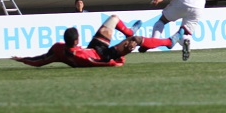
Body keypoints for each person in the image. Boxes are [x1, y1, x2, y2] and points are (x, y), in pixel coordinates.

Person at [12, 15, 183, 68]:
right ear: (77, 40)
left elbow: (40, 60)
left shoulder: (58, 49)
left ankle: (129, 31)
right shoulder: (80, 54)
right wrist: (113, 63)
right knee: (135, 41)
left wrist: (23, 59)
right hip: (104, 55)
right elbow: (93, 62)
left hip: (94, 48)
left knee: (113, 19)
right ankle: (168, 42)